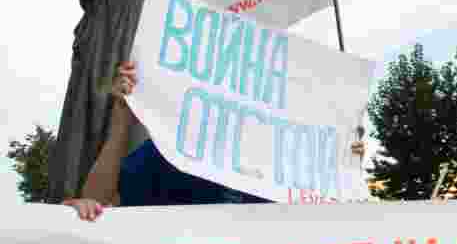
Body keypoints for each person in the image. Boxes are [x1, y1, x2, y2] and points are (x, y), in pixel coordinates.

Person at [79, 61, 365, 206]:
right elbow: (97, 201)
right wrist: (122, 117)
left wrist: (343, 163)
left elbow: (332, 225)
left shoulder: (283, 166)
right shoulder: (172, 153)